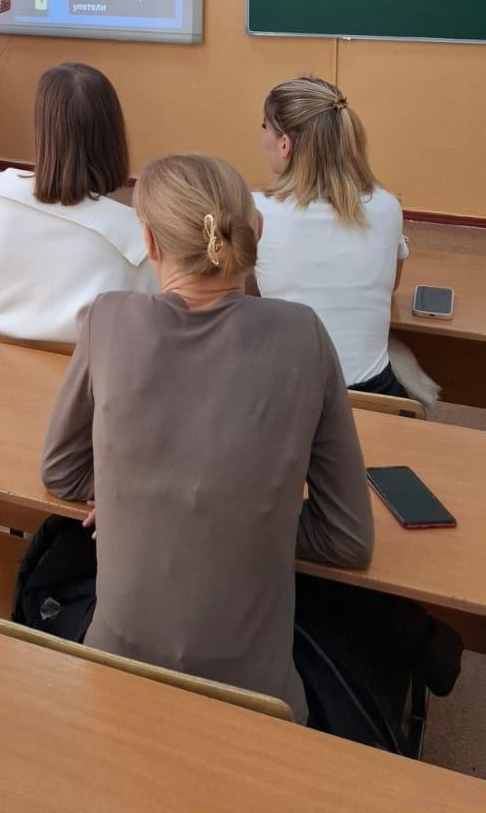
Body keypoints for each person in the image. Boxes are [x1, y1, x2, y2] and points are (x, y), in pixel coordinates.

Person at [41, 153, 373, 723]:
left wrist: (138, 499)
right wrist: (251, 518)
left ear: (148, 240)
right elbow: (348, 540)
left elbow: (61, 471)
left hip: (109, 683)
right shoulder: (304, 335)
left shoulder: (107, 319)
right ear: (256, 230)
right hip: (258, 710)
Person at [0, 63, 155, 343]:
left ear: (42, 131)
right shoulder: (136, 239)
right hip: (87, 371)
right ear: (113, 135)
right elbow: (145, 332)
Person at [254, 77, 410, 397]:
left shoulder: (256, 210)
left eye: (264, 128)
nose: (262, 138)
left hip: (289, 395)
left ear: (284, 144)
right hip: (376, 395)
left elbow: (241, 294)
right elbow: (391, 284)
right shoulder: (387, 206)